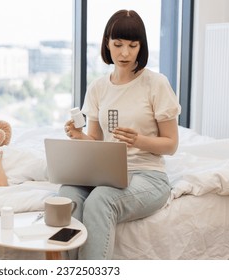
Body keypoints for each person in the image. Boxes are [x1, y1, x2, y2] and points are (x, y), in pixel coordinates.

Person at [61, 9, 181, 259]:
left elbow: (171, 144)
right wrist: (78, 136)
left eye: (132, 45)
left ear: (141, 47)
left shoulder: (156, 84)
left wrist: (139, 140)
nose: (125, 53)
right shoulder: (98, 88)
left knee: (100, 200)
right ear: (107, 44)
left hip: (148, 176)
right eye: (118, 44)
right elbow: (95, 141)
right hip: (105, 173)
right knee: (68, 195)